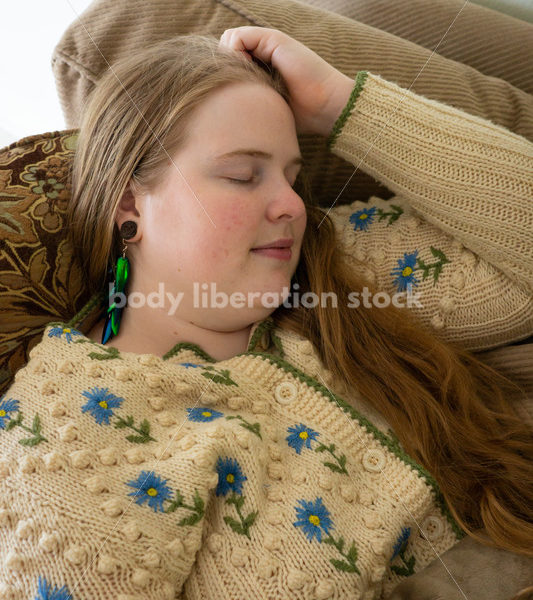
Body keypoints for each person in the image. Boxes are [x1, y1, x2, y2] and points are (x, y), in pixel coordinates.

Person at [0, 26, 531, 600]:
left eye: (292, 176)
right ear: (130, 204)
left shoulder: (339, 274)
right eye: (243, 175)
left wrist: (340, 104)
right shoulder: (72, 433)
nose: (292, 205)